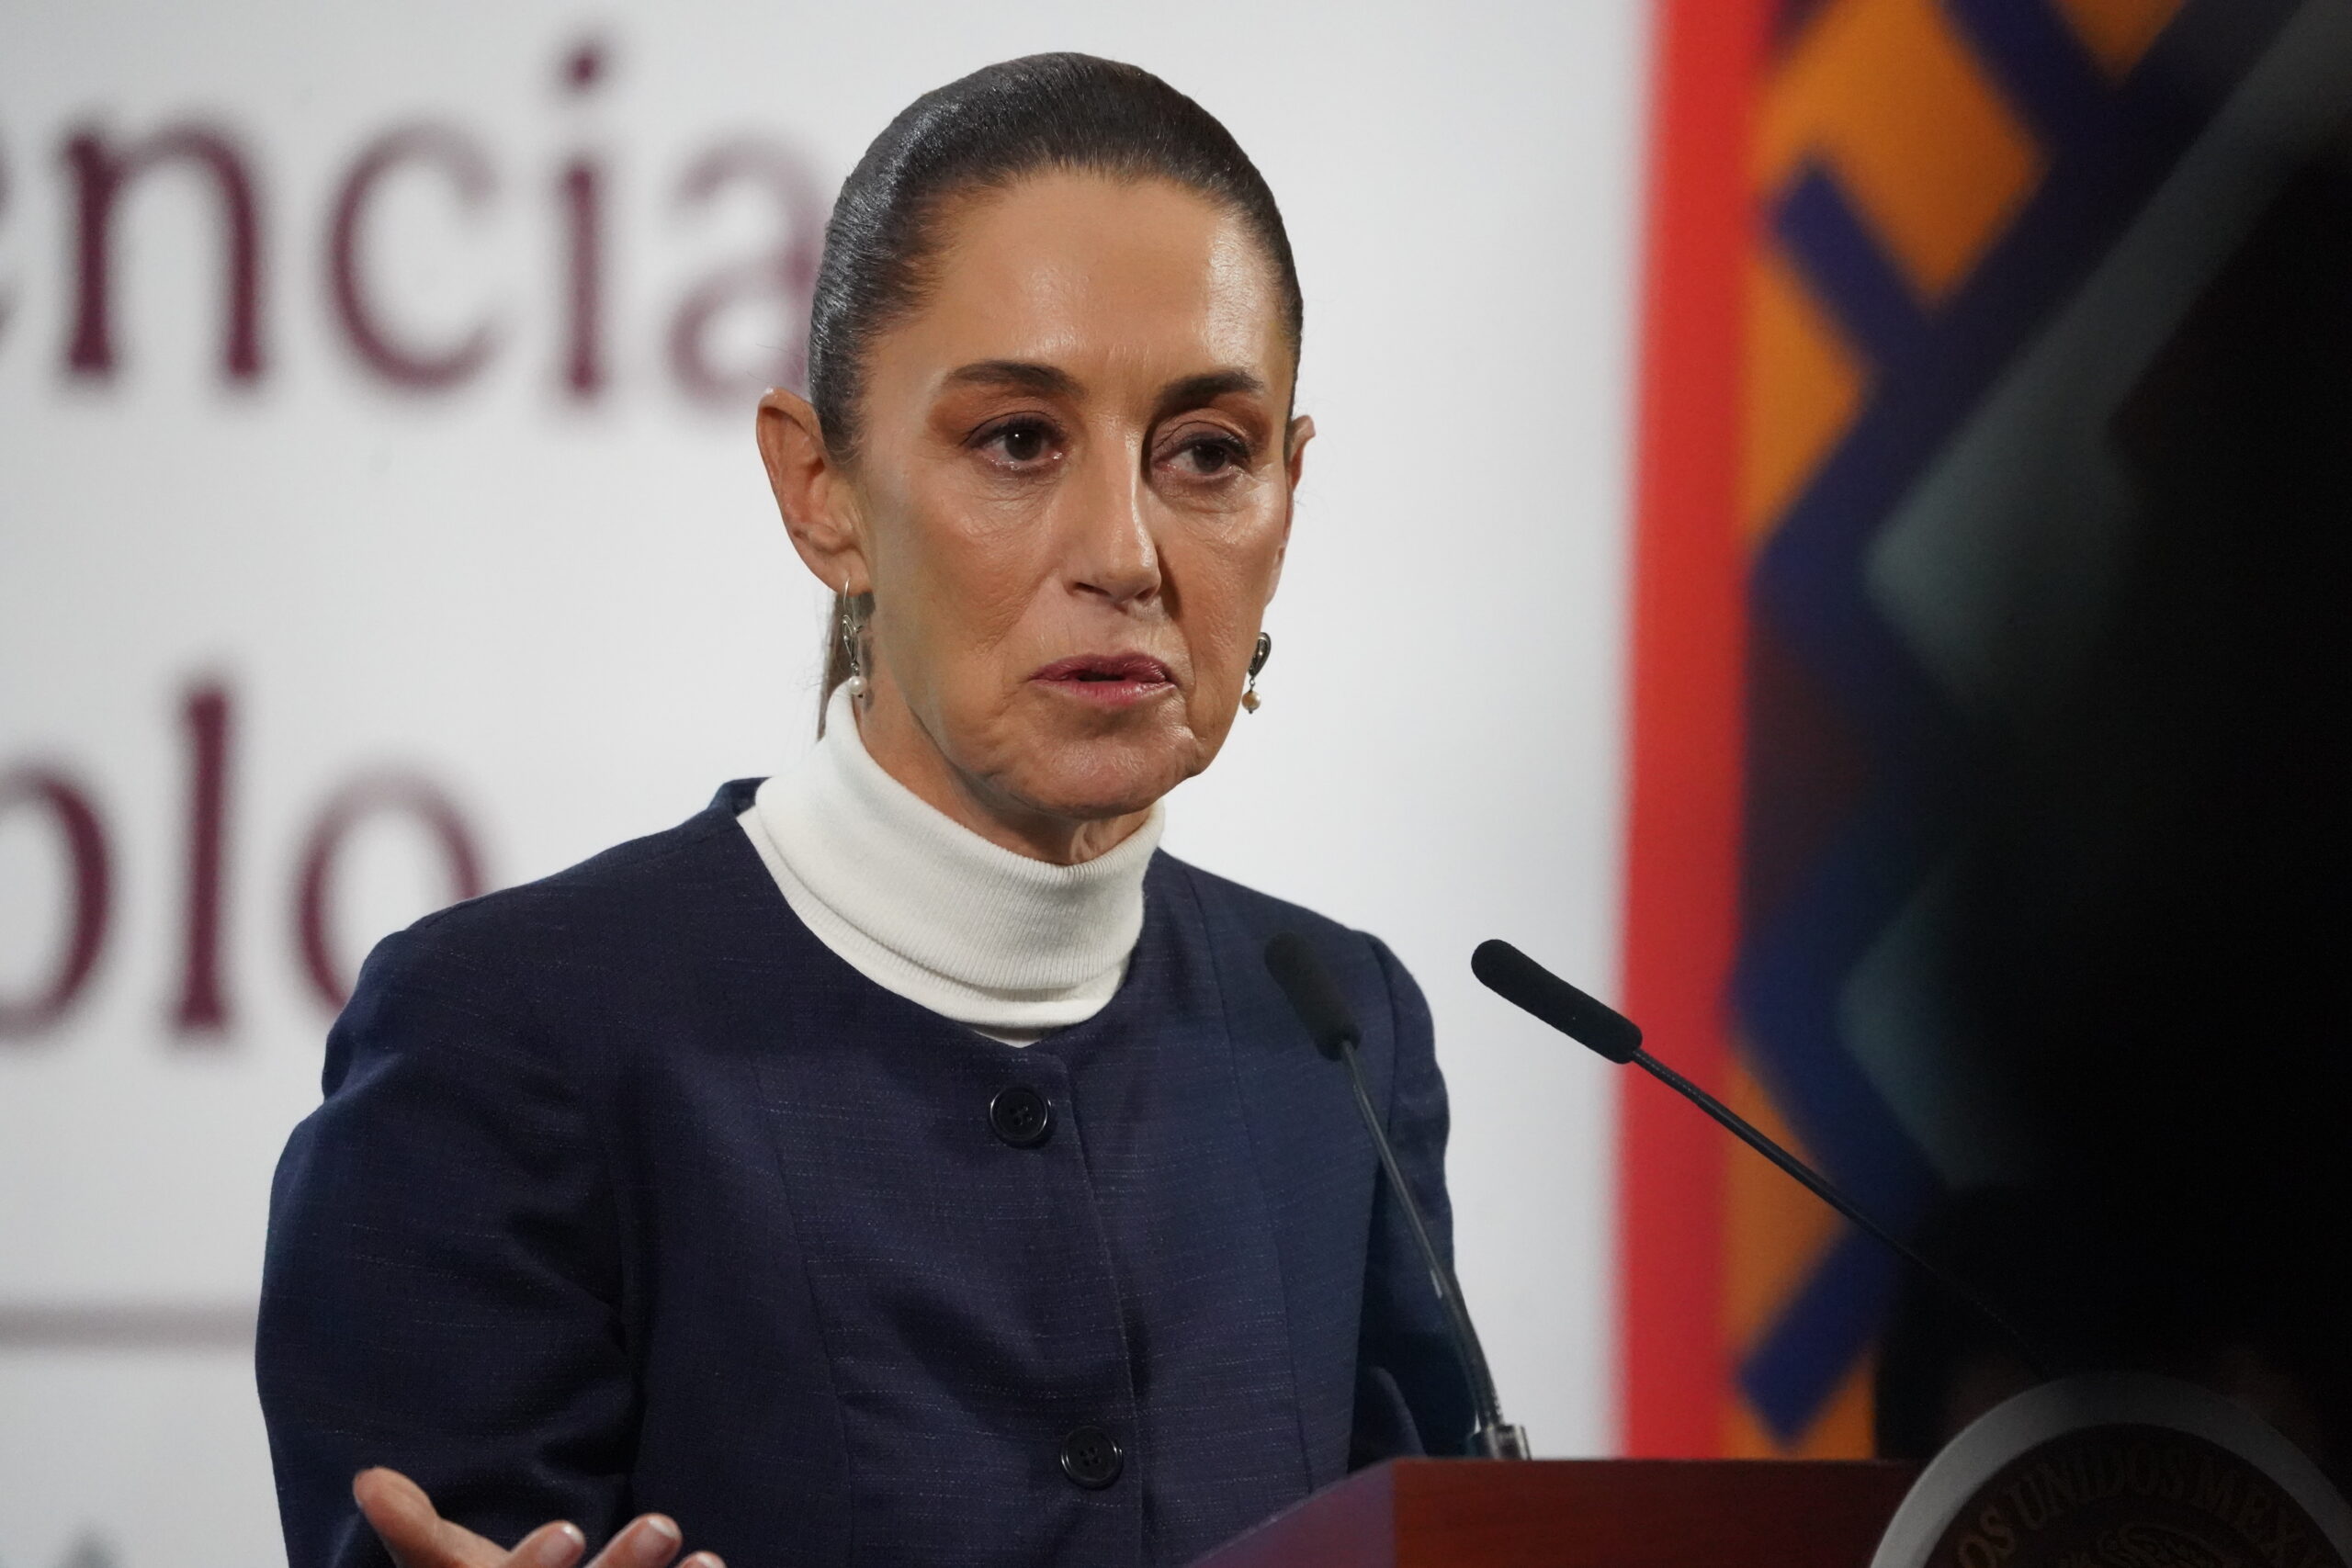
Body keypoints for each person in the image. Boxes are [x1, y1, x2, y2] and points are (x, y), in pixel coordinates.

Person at [257, 52, 1473, 1568]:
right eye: (1018, 440)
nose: (1124, 553)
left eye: (1209, 455)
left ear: (1290, 489)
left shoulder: (1337, 1039)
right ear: (821, 488)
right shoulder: (505, 1042)